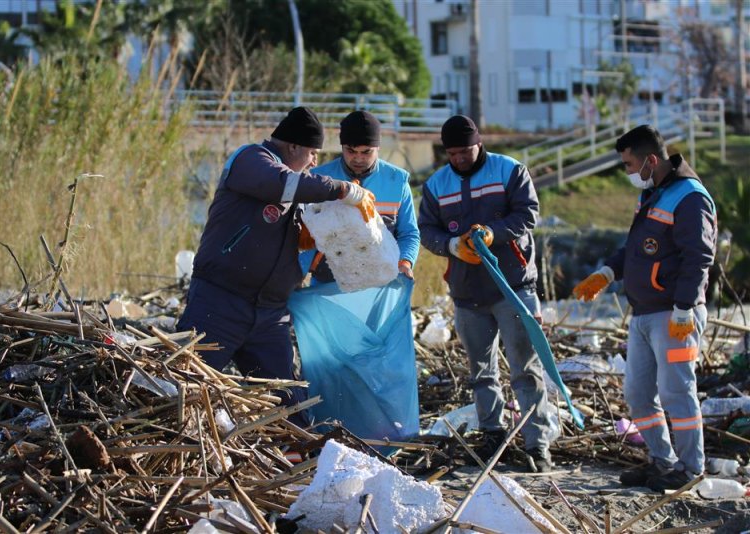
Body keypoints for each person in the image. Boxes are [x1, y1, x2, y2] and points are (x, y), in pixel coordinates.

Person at [176, 106, 376, 427]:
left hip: (269, 314)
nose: (313, 162)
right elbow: (283, 183)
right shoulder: (250, 161)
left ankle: (301, 467)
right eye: (311, 153)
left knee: (289, 405)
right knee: (185, 387)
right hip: (220, 303)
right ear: (294, 146)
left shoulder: (296, 187)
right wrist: (341, 189)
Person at [572, 124, 717, 491]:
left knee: (676, 393)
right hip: (643, 314)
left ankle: (689, 469)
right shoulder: (653, 193)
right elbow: (637, 248)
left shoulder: (690, 197)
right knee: (638, 394)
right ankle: (661, 460)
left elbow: (699, 258)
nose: (628, 172)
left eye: (630, 164)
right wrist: (607, 273)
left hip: (674, 315)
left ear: (651, 160)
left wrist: (684, 308)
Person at [418, 115, 555, 472]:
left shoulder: (509, 171)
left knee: (526, 369)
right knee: (481, 372)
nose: (460, 159)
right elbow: (426, 230)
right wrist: (451, 244)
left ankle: (537, 444)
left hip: (513, 288)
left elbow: (528, 214)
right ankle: (494, 435)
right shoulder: (436, 186)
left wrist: (495, 233)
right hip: (467, 293)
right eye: (452, 153)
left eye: (465, 151)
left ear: (479, 144)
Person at [301, 110, 419, 282]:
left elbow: (408, 233)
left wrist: (405, 262)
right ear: (341, 146)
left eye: (366, 152)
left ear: (378, 147)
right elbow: (304, 234)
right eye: (351, 151)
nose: (358, 158)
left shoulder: (397, 181)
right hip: (328, 282)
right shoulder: (318, 178)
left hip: (380, 282)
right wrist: (299, 272)